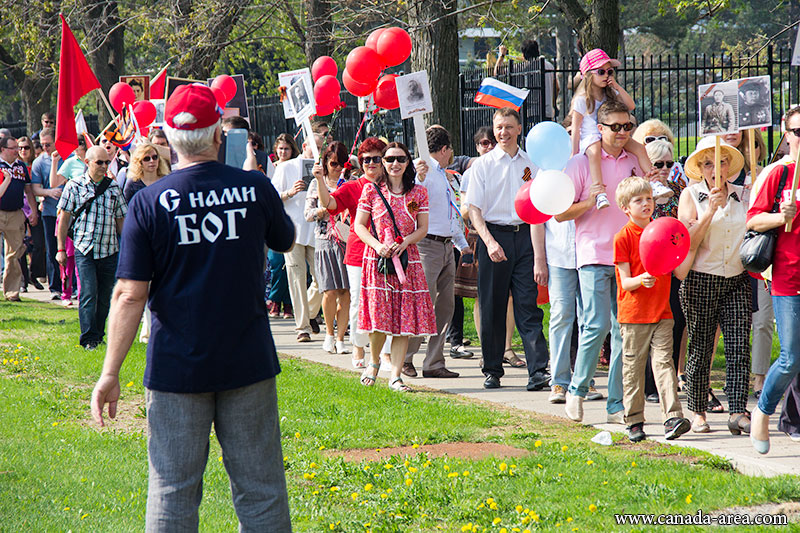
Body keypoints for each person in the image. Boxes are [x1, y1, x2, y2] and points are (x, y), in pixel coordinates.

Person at [89, 83, 293, 529]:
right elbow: (285, 239)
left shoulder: (147, 203)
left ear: (168, 138)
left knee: (172, 491)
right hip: (247, 362)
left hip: (176, 367)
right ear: (219, 133)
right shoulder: (254, 187)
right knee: (261, 491)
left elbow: (128, 294)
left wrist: (109, 372)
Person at [556, 100, 647, 424]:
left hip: (627, 257)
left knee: (624, 331)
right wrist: (588, 202)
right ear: (601, 128)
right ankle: (576, 391)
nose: (622, 133)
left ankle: (615, 405)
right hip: (593, 254)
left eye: (628, 127)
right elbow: (559, 213)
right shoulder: (581, 163)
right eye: (616, 127)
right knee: (596, 325)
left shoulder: (633, 159)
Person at [465, 107, 550, 391]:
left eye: (509, 127)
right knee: (492, 307)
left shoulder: (532, 164)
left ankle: (538, 370)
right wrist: (489, 242)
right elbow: (474, 210)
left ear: (518, 129)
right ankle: (492, 369)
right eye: (499, 127)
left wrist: (540, 258)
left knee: (528, 306)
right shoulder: (483, 165)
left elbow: (537, 210)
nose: (503, 132)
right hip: (494, 236)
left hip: (525, 237)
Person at [677, 136, 751, 435]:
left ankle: (737, 410)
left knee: (737, 346)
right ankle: (697, 410)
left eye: (720, 162)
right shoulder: (691, 196)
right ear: (701, 169)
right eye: (708, 163)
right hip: (701, 278)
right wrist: (710, 210)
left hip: (737, 277)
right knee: (701, 346)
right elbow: (687, 242)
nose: (715, 168)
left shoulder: (744, 194)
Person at [353, 142, 436, 392]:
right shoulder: (371, 190)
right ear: (382, 163)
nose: (394, 164)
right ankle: (375, 361)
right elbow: (359, 226)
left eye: (400, 159)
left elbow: (423, 228)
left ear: (408, 162)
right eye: (388, 159)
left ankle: (396, 376)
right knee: (379, 319)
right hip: (377, 261)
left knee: (404, 321)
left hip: (407, 260)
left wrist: (406, 241)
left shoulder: (418, 193)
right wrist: (378, 246)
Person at [613, 176, 691, 442]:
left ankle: (672, 417)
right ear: (626, 207)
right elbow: (624, 280)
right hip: (634, 316)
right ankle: (634, 420)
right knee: (633, 370)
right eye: (639, 200)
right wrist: (640, 280)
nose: (646, 204)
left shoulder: (661, 231)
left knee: (664, 364)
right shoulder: (623, 237)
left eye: (649, 199)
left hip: (662, 312)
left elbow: (676, 261)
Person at [748, 107, 800, 454]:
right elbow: (752, 221)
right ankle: (763, 411)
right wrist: (780, 216)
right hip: (788, 276)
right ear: (787, 134)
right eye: (799, 131)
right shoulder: (777, 174)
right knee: (791, 358)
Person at [317, 137, 387, 369]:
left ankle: (384, 354)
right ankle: (358, 347)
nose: (371, 163)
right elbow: (330, 205)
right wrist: (319, 181)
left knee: (386, 302)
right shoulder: (353, 186)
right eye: (366, 159)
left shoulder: (393, 185)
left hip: (388, 253)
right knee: (358, 301)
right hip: (358, 252)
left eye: (377, 158)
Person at [402, 126, 466, 379]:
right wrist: (417, 178)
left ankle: (434, 361)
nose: (451, 154)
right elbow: (411, 202)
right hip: (426, 246)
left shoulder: (443, 175)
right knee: (422, 303)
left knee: (445, 306)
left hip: (447, 246)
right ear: (444, 150)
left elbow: (449, 213)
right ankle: (405, 357)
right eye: (450, 150)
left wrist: (461, 244)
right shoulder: (424, 171)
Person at [56, 146, 127, 349]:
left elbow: (121, 220)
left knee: (105, 297)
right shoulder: (74, 186)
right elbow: (64, 219)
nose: (104, 166)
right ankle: (88, 339)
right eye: (99, 162)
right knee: (88, 293)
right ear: (87, 163)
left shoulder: (113, 187)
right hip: (84, 248)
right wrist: (61, 249)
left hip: (109, 249)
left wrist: (129, 247)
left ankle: (98, 334)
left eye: (107, 162)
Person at [570, 49, 652, 210]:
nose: (606, 75)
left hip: (612, 132)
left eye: (610, 71)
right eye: (601, 72)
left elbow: (631, 105)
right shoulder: (581, 100)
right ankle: (600, 192)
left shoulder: (610, 93)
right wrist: (574, 153)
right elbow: (576, 127)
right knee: (594, 153)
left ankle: (654, 182)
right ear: (588, 75)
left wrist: (616, 85)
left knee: (639, 148)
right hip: (591, 135)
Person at [272, 132, 323, 341]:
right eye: (316, 146)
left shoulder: (323, 168)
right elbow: (272, 196)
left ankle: (309, 313)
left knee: (322, 279)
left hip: (316, 231)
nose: (320, 151)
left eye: (323, 147)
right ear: (305, 146)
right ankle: (302, 327)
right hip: (292, 230)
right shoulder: (287, 167)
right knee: (296, 278)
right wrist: (290, 193)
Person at [305, 142, 351, 354]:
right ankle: (329, 334)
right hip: (325, 239)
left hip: (347, 240)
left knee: (346, 292)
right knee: (329, 290)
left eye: (342, 164)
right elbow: (308, 214)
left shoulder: (350, 182)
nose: (338, 168)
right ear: (325, 163)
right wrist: (323, 209)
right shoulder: (317, 183)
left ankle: (341, 337)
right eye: (333, 163)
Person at [0, 135, 39, 301]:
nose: (18, 151)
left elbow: (29, 191)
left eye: (17, 147)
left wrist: (33, 211)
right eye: (13, 148)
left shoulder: (21, 167)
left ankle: (12, 292)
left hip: (16, 213)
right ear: (2, 150)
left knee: (13, 254)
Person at [267, 133, 301, 319]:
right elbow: (271, 195)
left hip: (295, 221)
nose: (283, 152)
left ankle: (288, 305)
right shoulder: (273, 167)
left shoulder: (296, 167)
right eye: (280, 149)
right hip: (277, 219)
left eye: (286, 148)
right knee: (277, 265)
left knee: (293, 267)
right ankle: (275, 301)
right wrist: (288, 193)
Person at [29, 128, 64, 299]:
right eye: (43, 145)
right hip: (50, 212)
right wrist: (49, 193)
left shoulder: (69, 158)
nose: (46, 148)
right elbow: (35, 188)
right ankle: (55, 287)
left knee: (70, 251)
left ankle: (70, 286)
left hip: (69, 212)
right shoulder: (39, 162)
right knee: (52, 251)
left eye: (48, 144)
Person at [632, 119, 687, 186]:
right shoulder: (635, 167)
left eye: (662, 139)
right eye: (650, 139)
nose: (657, 143)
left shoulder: (676, 168)